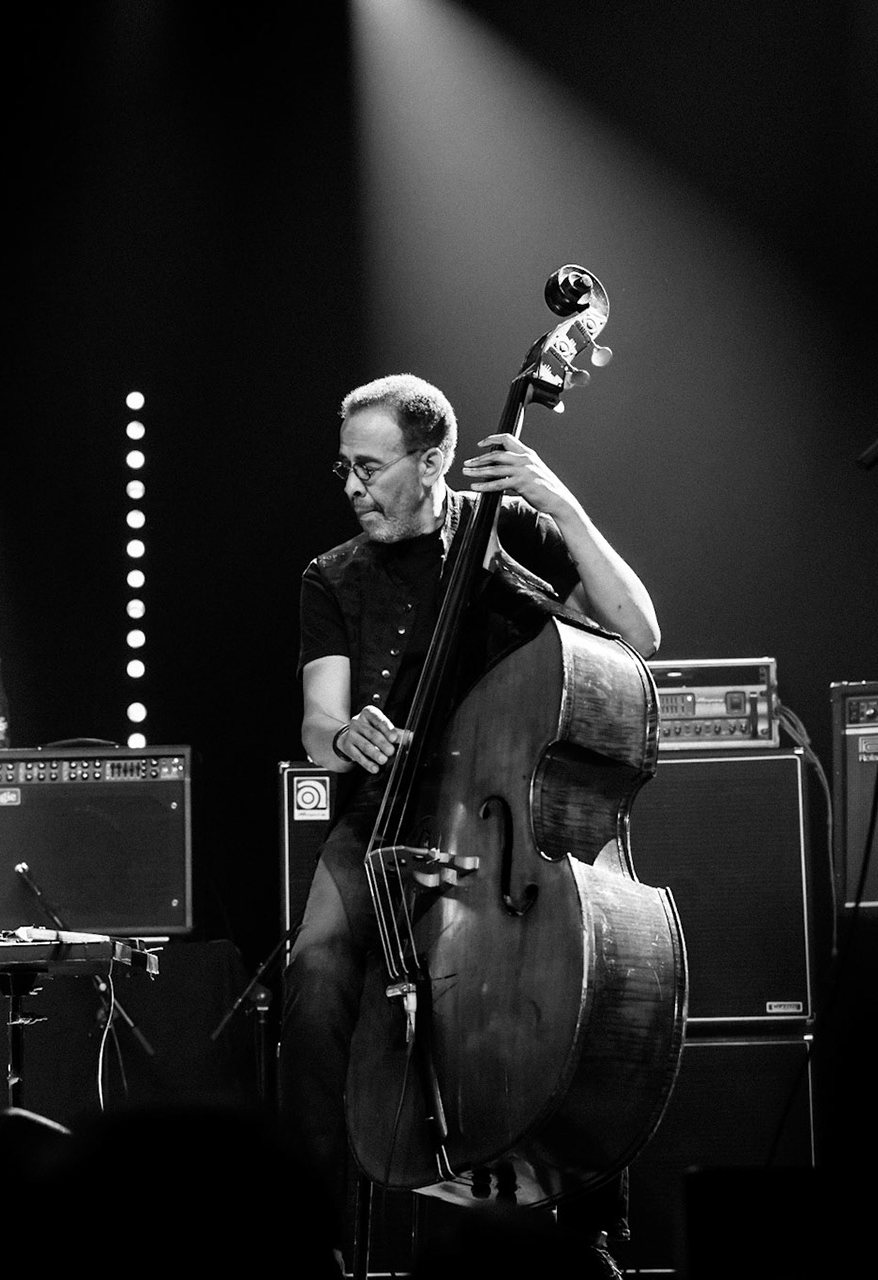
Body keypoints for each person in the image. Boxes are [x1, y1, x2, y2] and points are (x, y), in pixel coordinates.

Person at [283, 373, 661, 1275]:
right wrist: (347, 735)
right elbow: (316, 725)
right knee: (314, 978)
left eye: (370, 468)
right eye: (344, 469)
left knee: (575, 986)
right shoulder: (332, 577)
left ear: (435, 459)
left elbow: (639, 631)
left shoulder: (516, 534)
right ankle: (309, 1243)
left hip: (502, 823)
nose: (352, 488)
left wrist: (560, 503)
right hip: (383, 821)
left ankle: (589, 1223)